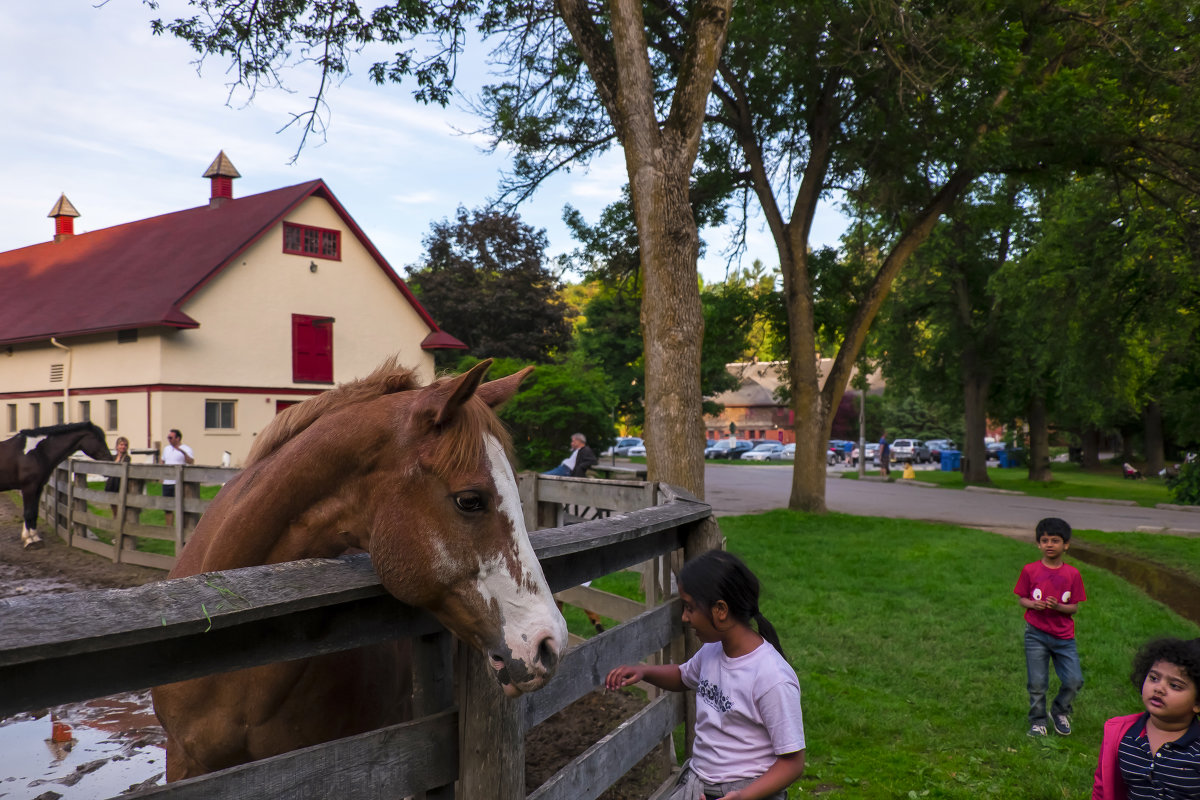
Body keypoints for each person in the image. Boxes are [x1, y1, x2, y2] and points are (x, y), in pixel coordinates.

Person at [605, 550, 805, 800]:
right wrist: (644, 671)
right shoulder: (713, 651)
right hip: (701, 785)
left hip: (750, 792)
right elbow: (682, 675)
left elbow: (792, 763)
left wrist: (742, 796)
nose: (684, 617)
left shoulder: (771, 677)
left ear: (720, 609)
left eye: (690, 607)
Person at [1092, 637, 1200, 799]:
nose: (1159, 688)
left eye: (1174, 685)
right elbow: (1102, 789)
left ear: (1197, 703)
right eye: (1154, 678)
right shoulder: (1121, 734)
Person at [1014, 517, 1086, 737]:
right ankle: (1038, 721)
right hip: (1035, 635)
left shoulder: (1072, 574)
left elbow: (1074, 607)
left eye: (1055, 541)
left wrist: (1058, 607)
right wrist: (1033, 604)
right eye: (1045, 540)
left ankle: (1059, 710)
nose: (1049, 545)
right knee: (1037, 683)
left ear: (1066, 545)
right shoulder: (1030, 570)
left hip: (1064, 637)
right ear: (1038, 544)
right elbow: (1022, 599)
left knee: (1074, 680)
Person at [162, 428, 194, 526]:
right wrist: (161, 476)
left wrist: (182, 452)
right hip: (167, 482)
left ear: (178, 438)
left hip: (178, 482)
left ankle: (182, 527)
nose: (169, 439)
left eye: (171, 437)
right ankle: (169, 528)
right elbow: (163, 461)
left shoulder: (186, 449)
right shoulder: (166, 449)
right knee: (168, 508)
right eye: (168, 437)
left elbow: (191, 462)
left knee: (181, 507)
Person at [106, 436, 131, 519]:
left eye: (125, 445)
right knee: (113, 503)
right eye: (121, 445)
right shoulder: (112, 457)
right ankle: (115, 517)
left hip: (120, 482)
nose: (123, 447)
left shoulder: (127, 458)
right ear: (117, 446)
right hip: (112, 482)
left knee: (121, 503)